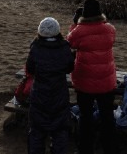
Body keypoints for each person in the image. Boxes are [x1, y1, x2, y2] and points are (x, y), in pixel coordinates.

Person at [66, 0, 118, 154]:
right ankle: (109, 148)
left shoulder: (79, 31)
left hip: (84, 82)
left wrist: (75, 23)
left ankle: (86, 149)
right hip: (107, 82)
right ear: (99, 12)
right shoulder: (110, 29)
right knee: (107, 118)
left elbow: (70, 43)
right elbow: (111, 40)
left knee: (86, 118)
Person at [25, 17, 75, 154]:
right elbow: (70, 67)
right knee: (60, 131)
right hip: (59, 94)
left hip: (39, 94)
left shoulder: (35, 48)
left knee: (36, 131)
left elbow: (30, 69)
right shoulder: (65, 48)